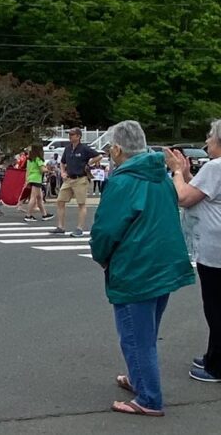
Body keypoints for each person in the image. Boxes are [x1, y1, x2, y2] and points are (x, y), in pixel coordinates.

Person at [90, 120, 194, 417]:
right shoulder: (159, 175)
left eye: (111, 147)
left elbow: (106, 230)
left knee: (136, 336)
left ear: (118, 149)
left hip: (137, 266)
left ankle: (149, 398)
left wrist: (101, 256)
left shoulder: (123, 181)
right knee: (146, 331)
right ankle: (139, 379)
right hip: (164, 263)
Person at [165, 119, 221, 383]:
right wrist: (187, 176)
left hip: (215, 250)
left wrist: (176, 172)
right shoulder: (213, 169)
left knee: (215, 307)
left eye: (209, 138)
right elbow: (201, 192)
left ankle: (217, 365)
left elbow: (184, 198)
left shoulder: (215, 166)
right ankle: (213, 355)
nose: (206, 143)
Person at [52, 127, 103, 237]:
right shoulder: (68, 148)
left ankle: (79, 228)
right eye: (69, 134)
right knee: (60, 201)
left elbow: (99, 156)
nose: (70, 136)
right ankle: (60, 226)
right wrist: (62, 172)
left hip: (80, 178)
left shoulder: (84, 148)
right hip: (69, 178)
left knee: (81, 203)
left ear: (78, 136)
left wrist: (89, 163)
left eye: (72, 134)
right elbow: (62, 162)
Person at [23, 145, 54, 222]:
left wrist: (26, 180)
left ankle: (44, 214)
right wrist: (49, 170)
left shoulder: (30, 160)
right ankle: (28, 215)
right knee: (33, 197)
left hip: (31, 178)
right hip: (37, 178)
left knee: (39, 197)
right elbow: (42, 169)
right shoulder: (38, 159)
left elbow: (27, 170)